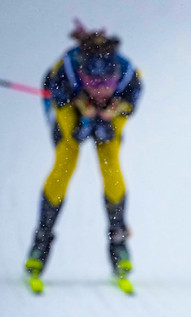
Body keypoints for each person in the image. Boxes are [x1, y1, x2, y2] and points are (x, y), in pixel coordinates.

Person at [25, 23, 142, 284]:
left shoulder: (127, 74)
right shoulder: (65, 73)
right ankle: (40, 244)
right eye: (93, 82)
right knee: (64, 165)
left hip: (110, 112)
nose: (101, 89)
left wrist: (113, 112)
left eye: (107, 82)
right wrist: (84, 116)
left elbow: (131, 102)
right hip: (70, 107)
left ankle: (118, 242)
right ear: (82, 75)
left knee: (112, 168)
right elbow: (72, 133)